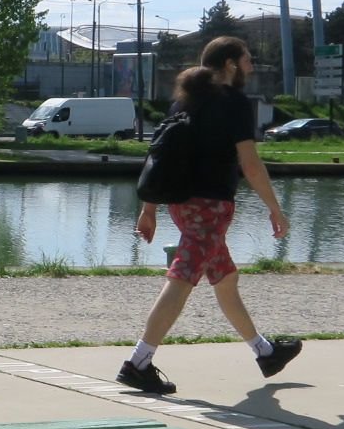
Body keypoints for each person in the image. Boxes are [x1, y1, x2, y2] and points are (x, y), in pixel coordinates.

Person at [117, 37, 302, 395]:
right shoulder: (233, 103)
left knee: (225, 278)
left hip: (182, 203)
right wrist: (275, 208)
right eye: (247, 60)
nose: (250, 67)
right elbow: (250, 163)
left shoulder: (185, 100)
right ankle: (138, 362)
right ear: (230, 64)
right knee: (183, 276)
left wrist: (149, 208)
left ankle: (265, 353)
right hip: (210, 206)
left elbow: (160, 156)